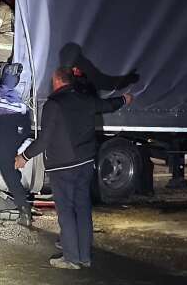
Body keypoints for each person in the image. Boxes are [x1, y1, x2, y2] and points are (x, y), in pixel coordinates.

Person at [16, 66, 133, 269]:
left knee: (66, 211)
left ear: (57, 81)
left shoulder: (54, 104)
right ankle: (84, 257)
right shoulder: (85, 99)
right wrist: (124, 99)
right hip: (85, 162)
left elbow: (44, 140)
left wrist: (24, 157)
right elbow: (107, 105)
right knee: (82, 208)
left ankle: (71, 258)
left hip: (62, 166)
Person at [0, 63, 35, 226]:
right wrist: (14, 145)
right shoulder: (21, 104)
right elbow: (25, 130)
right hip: (8, 152)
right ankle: (26, 215)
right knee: (14, 184)